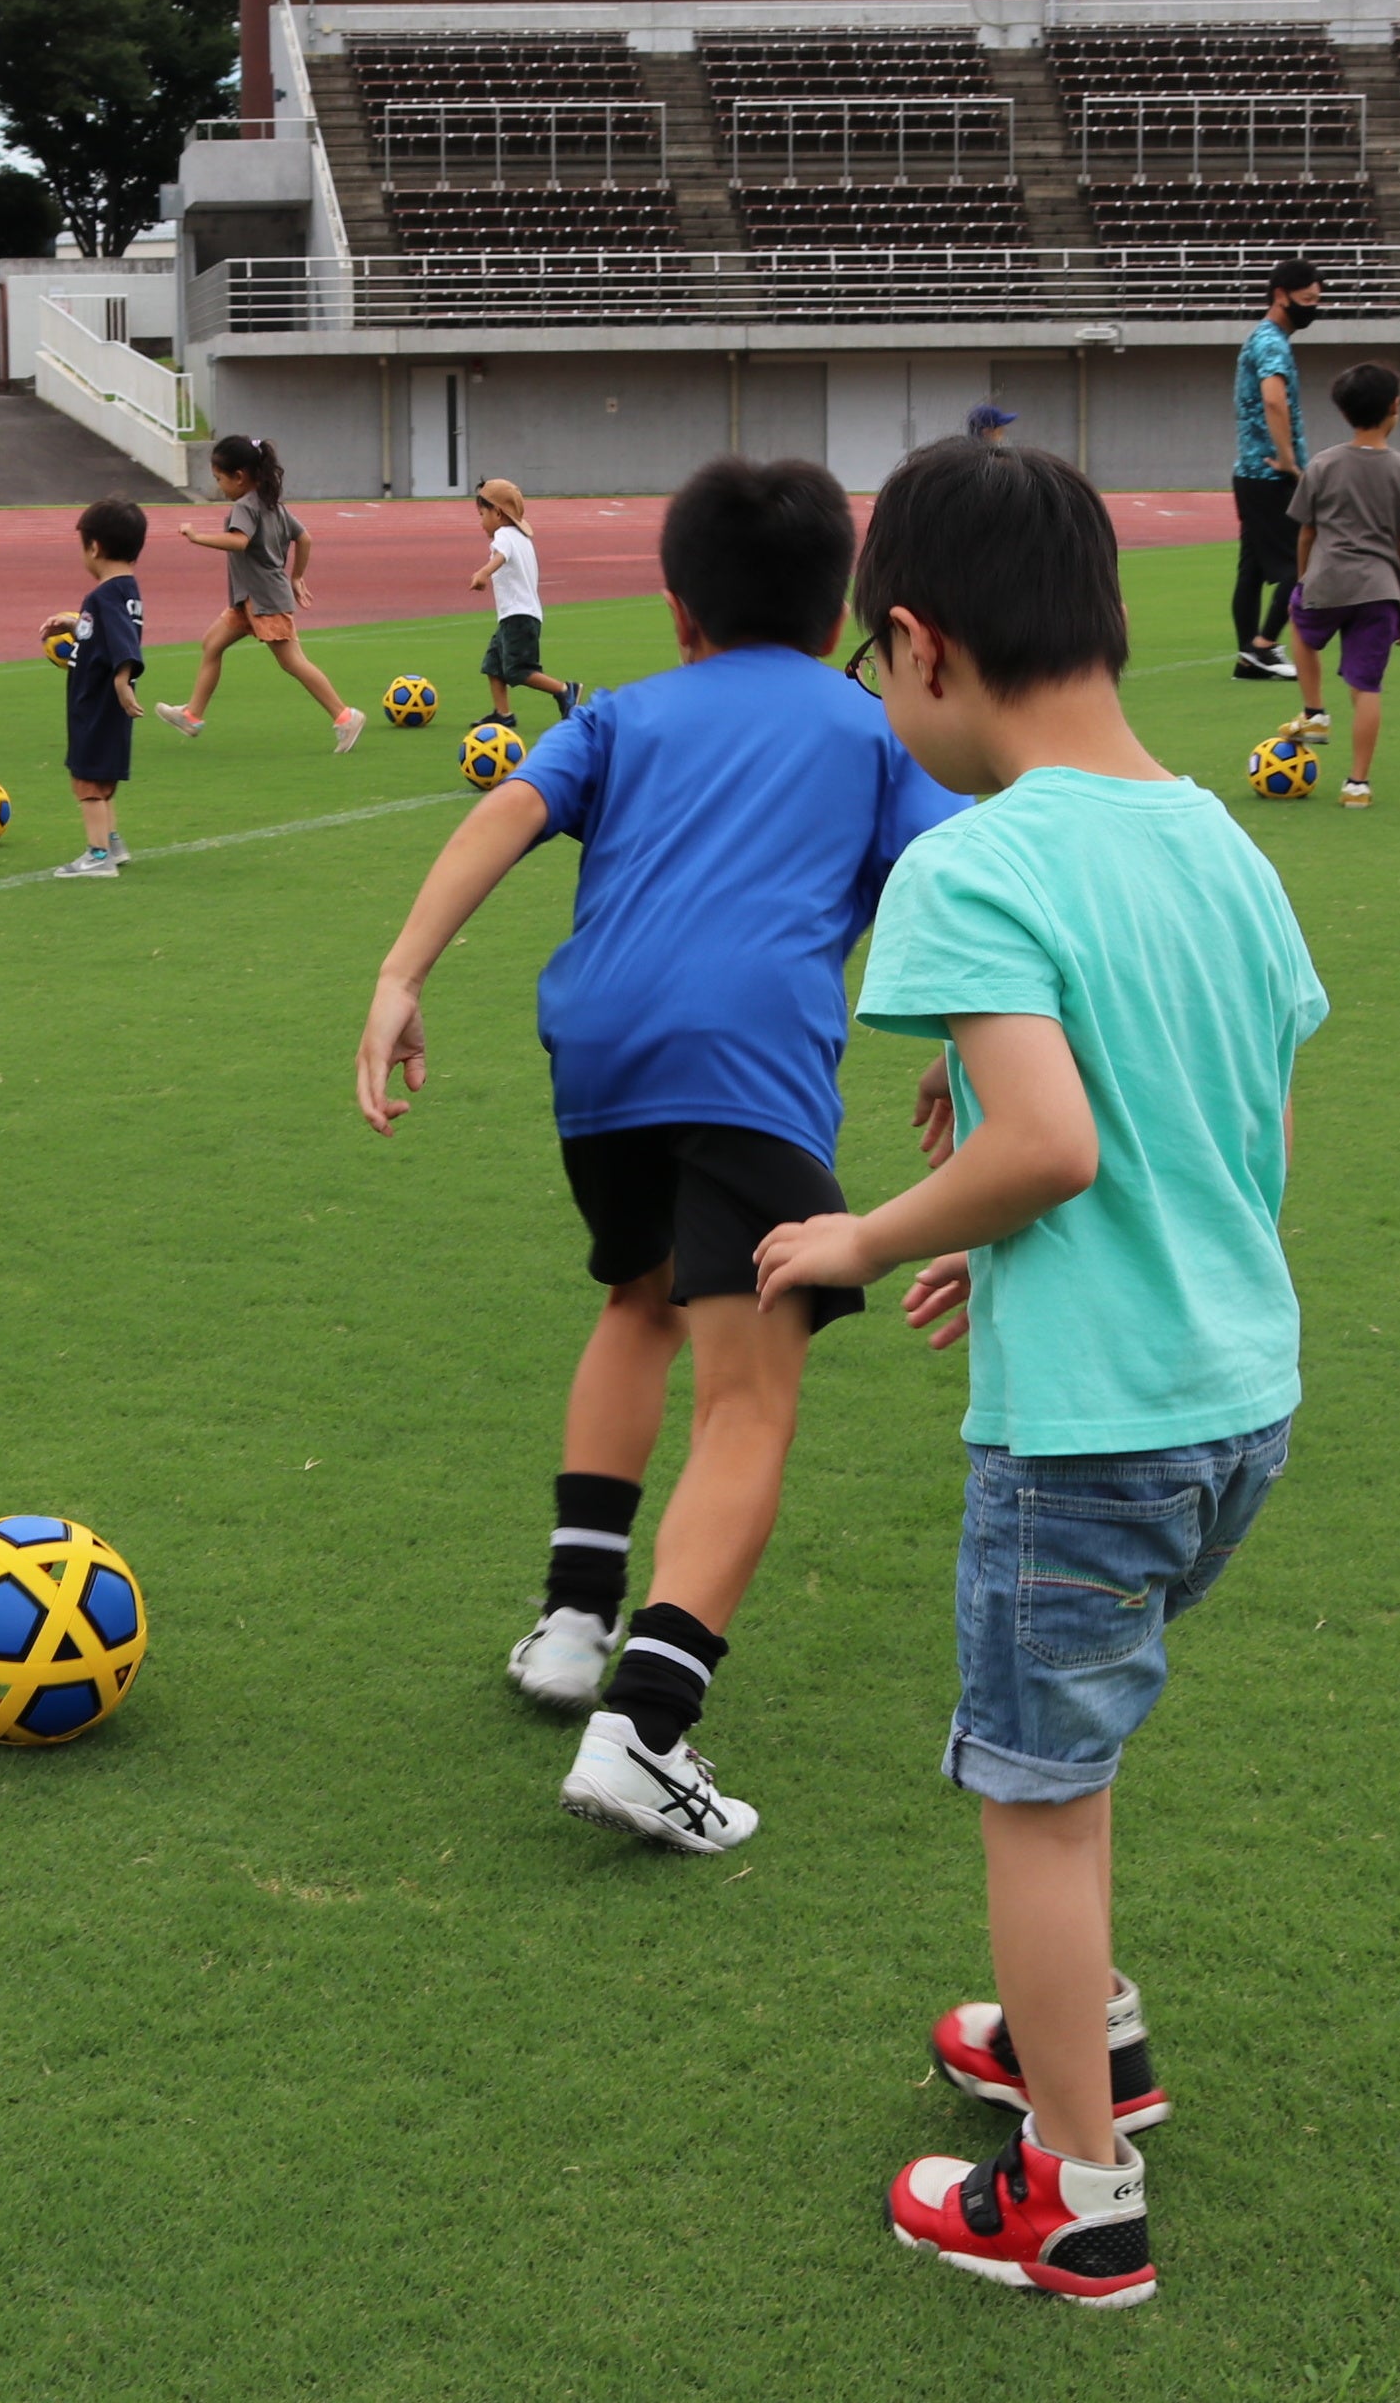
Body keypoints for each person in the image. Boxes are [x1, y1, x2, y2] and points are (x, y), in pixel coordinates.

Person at [743, 435, 1324, 2310]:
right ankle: (1094, 2037)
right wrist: (1020, 1242)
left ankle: (1073, 2192)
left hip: (1092, 1434)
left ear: (917, 645)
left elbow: (1055, 1145)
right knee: (1082, 1747)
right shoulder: (1222, 838)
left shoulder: (973, 861)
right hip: (1238, 1396)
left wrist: (872, 1231)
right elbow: (1232, 1128)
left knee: (1039, 1798)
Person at [351, 456, 963, 1854]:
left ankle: (573, 1622)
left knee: (638, 1302)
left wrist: (400, 974)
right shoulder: (876, 735)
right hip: (746, 1059)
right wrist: (966, 1044)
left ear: (679, 610)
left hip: (600, 1055)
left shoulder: (622, 712)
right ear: (841, 615)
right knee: (750, 1397)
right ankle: (645, 1729)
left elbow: (507, 809)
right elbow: (969, 878)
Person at [1282, 359, 1400, 807]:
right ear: (1395, 407)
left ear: (1344, 412)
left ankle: (1314, 712)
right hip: (1381, 590)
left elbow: (1306, 531)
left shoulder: (1323, 465)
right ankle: (1357, 784)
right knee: (1367, 688)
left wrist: (1305, 577)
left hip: (1328, 580)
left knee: (1298, 622)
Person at [159, 434, 362, 751]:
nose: (219, 487)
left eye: (219, 479)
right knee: (211, 644)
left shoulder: (244, 507)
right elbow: (304, 538)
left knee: (292, 662)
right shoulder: (272, 505)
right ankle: (192, 715)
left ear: (239, 477)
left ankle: (344, 715)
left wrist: (197, 537)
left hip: (265, 600)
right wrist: (296, 576)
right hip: (249, 600)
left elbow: (239, 542)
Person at [37, 497, 149, 881]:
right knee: (101, 779)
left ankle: (98, 855)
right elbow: (112, 630)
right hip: (105, 704)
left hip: (98, 702)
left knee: (86, 781)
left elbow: (123, 644)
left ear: (95, 547)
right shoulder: (125, 591)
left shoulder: (102, 596)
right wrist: (74, 627)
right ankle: (113, 843)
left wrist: (122, 681)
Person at [1227, 257, 1320, 681]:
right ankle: (1264, 645)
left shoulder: (1264, 338)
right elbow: (1273, 399)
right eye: (1307, 299)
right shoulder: (1271, 342)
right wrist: (1288, 459)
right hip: (1270, 475)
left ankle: (1250, 654)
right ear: (1281, 295)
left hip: (1249, 471)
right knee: (1300, 564)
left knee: (1252, 568)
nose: (1313, 308)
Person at [464, 478, 582, 726]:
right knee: (493, 665)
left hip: (518, 616)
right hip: (518, 615)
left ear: (497, 513)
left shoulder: (505, 536)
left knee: (518, 670)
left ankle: (564, 690)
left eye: (482, 514)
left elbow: (500, 556)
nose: (480, 521)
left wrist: (484, 572)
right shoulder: (522, 538)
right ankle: (503, 714)